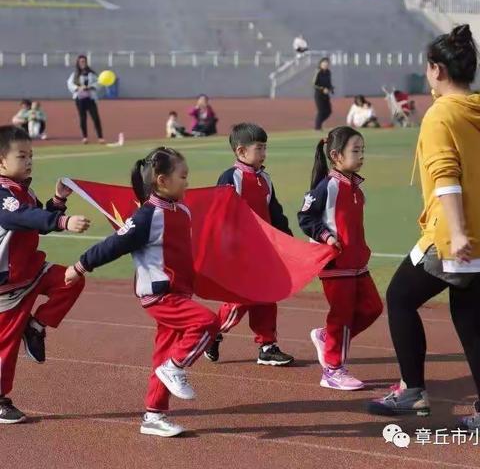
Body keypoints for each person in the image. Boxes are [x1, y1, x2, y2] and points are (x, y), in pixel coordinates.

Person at [367, 24, 480, 431]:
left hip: (452, 236)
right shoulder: (475, 109)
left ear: (437, 70)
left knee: (399, 297)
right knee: (469, 319)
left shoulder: (441, 115)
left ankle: (413, 392)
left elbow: (446, 174)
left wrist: (459, 230)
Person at [65, 147, 220, 438]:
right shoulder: (147, 216)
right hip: (161, 296)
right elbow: (114, 244)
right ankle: (176, 367)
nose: (187, 182)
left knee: (163, 355)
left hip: (180, 294)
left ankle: (154, 415)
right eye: (183, 176)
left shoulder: (182, 210)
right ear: (162, 181)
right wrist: (80, 265)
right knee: (208, 322)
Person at [0, 125, 90, 424]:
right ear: (1, 161)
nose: (29, 161)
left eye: (31, 155)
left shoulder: (24, 190)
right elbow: (23, 217)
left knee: (72, 279)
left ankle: (36, 326)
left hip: (33, 270)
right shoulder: (2, 196)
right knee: (5, 347)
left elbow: (39, 218)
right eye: (21, 156)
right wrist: (63, 221)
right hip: (9, 285)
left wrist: (58, 200)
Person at [298, 127, 383, 390]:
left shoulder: (355, 186)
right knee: (342, 316)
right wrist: (327, 237)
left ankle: (327, 337)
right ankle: (332, 370)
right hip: (336, 265)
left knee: (373, 308)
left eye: (362, 151)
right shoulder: (327, 186)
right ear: (335, 155)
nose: (361, 156)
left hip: (357, 263)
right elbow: (305, 217)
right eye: (355, 151)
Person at [204, 123, 294, 366]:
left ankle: (267, 346)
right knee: (242, 299)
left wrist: (287, 238)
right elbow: (221, 214)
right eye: (260, 148)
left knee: (268, 296)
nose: (264, 153)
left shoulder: (265, 178)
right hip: (240, 253)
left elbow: (274, 212)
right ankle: (212, 333)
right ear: (241, 151)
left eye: (266, 148)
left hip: (264, 251)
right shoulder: (231, 177)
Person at [67, 55, 104, 144]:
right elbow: (70, 84)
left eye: (84, 61)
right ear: (78, 63)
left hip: (90, 98)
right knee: (82, 118)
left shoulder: (91, 73)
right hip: (80, 99)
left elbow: (99, 82)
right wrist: (78, 88)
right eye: (81, 62)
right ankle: (85, 137)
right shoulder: (75, 74)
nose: (82, 63)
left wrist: (91, 87)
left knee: (95, 117)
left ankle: (100, 137)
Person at [313, 58, 334, 131]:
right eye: (324, 63)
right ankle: (317, 127)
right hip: (319, 95)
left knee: (328, 111)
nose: (325, 65)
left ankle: (318, 124)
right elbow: (314, 84)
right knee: (321, 111)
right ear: (320, 64)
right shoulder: (318, 72)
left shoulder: (328, 72)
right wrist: (322, 89)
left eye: (327, 63)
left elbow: (329, 83)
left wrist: (331, 88)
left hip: (326, 95)